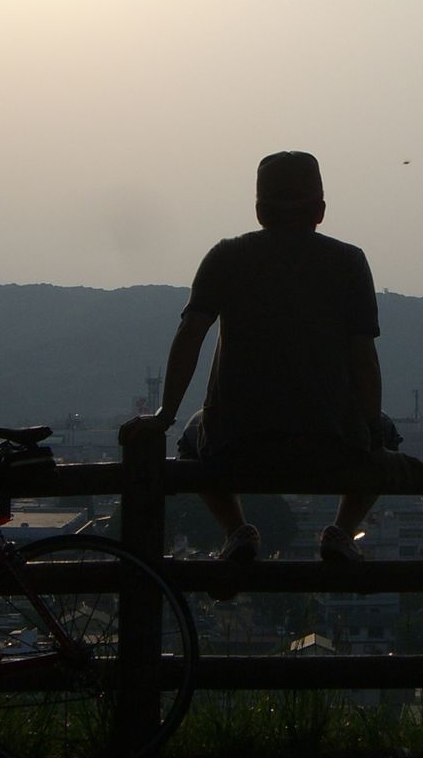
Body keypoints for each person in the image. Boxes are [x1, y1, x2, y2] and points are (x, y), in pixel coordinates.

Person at [136, 151, 383, 563]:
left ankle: (237, 531)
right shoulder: (348, 262)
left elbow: (190, 334)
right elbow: (364, 357)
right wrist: (373, 432)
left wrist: (165, 414)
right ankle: (341, 532)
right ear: (320, 211)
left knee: (189, 440)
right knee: (385, 431)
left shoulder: (226, 257)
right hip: (329, 442)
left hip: (237, 443)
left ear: (259, 211)